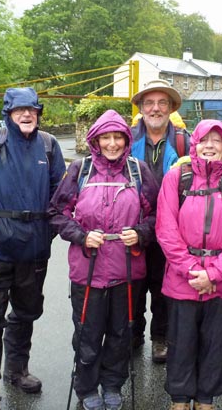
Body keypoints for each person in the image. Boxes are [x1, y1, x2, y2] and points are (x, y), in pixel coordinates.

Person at [49, 109, 158, 410]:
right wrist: (81, 235)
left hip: (127, 267)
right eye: (105, 138)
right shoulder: (80, 170)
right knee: (87, 332)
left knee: (121, 332)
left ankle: (112, 384)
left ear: (126, 139)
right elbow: (57, 213)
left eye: (118, 137)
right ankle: (86, 387)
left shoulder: (137, 171)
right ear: (95, 141)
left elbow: (156, 215)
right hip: (88, 268)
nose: (112, 144)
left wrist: (140, 232)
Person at [0, 87, 66, 409]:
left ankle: (17, 370)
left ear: (38, 113)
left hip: (35, 249)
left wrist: (49, 229)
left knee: (26, 312)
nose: (27, 115)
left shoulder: (49, 146)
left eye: (32, 110)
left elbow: (60, 193)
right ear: (8, 113)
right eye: (20, 110)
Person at [156, 119, 222, 410]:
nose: (210, 145)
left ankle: (205, 400)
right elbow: (166, 230)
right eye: (204, 140)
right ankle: (179, 399)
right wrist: (192, 270)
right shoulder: (177, 178)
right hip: (182, 278)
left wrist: (214, 273)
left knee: (216, 345)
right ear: (194, 144)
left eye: (217, 140)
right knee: (181, 341)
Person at [130, 78, 190, 363]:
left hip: (172, 229)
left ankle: (160, 338)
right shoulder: (127, 139)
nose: (155, 108)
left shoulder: (184, 141)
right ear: (141, 108)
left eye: (162, 103)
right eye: (149, 103)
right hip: (134, 226)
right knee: (133, 285)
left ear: (170, 108)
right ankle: (133, 334)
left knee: (164, 288)